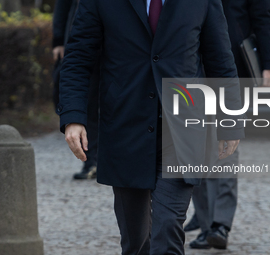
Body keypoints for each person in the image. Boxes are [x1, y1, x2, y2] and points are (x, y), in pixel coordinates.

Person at [57, 0, 245, 253]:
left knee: (167, 230)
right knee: (136, 241)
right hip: (126, 130)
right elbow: (77, 58)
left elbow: (220, 59)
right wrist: (73, 117)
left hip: (183, 130)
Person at [187, 0, 270, 250]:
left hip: (231, 69)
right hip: (190, 65)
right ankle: (206, 223)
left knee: (226, 147)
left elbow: (262, 17)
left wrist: (269, 62)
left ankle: (220, 223)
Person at [52, 0, 99, 180]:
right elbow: (63, 5)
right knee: (88, 102)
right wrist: (59, 40)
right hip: (82, 36)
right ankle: (91, 160)